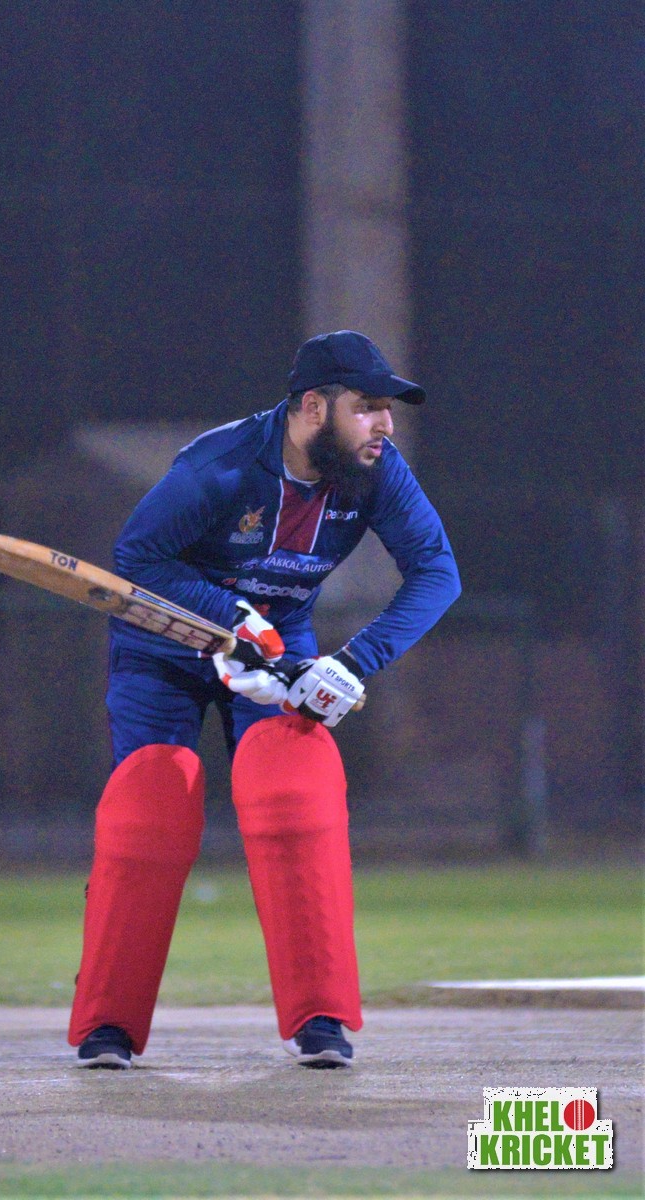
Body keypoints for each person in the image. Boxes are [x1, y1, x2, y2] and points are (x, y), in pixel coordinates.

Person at [70, 330, 460, 1070]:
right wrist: (232, 619)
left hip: (277, 646)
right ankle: (107, 1027)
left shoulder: (376, 469)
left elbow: (437, 571)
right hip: (163, 646)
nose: (384, 425)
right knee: (151, 801)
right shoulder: (218, 466)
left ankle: (320, 1020)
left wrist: (350, 665)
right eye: (366, 407)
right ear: (312, 407)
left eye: (387, 410)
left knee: (296, 789)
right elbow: (137, 559)